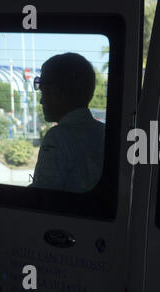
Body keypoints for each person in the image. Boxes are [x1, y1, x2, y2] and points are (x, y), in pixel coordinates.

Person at [29, 52, 105, 193]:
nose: (41, 101)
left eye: (44, 93)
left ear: (57, 93)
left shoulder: (57, 137)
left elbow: (41, 195)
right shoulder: (104, 132)